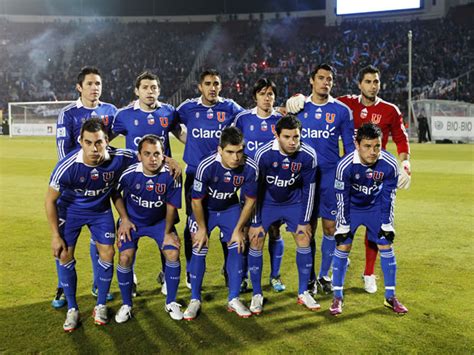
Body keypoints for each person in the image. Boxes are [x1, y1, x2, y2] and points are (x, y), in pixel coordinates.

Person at [45, 118, 136, 332]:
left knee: (108, 254)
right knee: (64, 254)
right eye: (88, 143)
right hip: (70, 211)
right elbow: (49, 200)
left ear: (106, 140)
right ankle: (73, 309)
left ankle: (101, 305)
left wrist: (169, 161)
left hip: (100, 211)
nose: (94, 148)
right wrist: (55, 235)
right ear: (81, 142)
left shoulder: (121, 157)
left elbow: (147, 155)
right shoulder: (66, 166)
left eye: (98, 142)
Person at [111, 71, 185, 296]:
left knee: (167, 232)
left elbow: (183, 136)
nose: (150, 91)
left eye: (154, 87)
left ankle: (165, 274)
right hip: (134, 183)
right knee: (130, 236)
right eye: (145, 87)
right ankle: (129, 275)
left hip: (163, 183)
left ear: (159, 90)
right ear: (137, 91)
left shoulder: (168, 112)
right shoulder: (124, 115)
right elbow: (106, 141)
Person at [286, 64, 355, 296]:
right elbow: (281, 130)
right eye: (321, 78)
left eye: (330, 79)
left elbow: (349, 148)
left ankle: (325, 275)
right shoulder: (298, 108)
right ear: (311, 80)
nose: (326, 82)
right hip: (303, 179)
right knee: (307, 228)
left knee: (330, 226)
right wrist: (288, 102)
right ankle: (309, 279)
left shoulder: (342, 111)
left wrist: (348, 177)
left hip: (330, 178)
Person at [52, 66, 116, 309]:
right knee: (65, 246)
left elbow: (112, 142)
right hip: (73, 189)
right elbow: (62, 153)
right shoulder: (68, 114)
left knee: (100, 239)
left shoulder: (110, 111)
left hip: (100, 186)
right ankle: (62, 286)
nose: (94, 88)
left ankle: (98, 284)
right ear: (79, 87)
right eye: (89, 83)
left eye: (98, 83)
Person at [330, 123, 408, 316]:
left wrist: (387, 223)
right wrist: (343, 225)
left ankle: (390, 297)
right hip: (352, 208)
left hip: (375, 208)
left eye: (377, 146)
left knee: (386, 245)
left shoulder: (389, 164)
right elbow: (341, 198)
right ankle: (337, 297)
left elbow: (388, 197)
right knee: (343, 246)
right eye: (367, 146)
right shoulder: (345, 166)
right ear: (357, 145)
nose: (373, 152)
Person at [176, 69, 244, 288]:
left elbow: (250, 116)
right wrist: (187, 141)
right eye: (208, 83)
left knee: (228, 224)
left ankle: (229, 269)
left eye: (216, 83)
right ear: (200, 87)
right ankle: (190, 270)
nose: (212, 87)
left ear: (221, 86)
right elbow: (170, 123)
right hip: (195, 173)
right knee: (192, 225)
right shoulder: (187, 108)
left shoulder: (230, 107)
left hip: (223, 175)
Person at [183, 126, 258, 320]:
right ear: (220, 150)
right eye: (230, 152)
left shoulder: (250, 166)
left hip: (229, 209)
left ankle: (234, 298)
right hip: (204, 210)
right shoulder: (206, 166)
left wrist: (239, 229)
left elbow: (250, 200)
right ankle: (195, 299)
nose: (236, 157)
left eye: (239, 151)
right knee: (199, 246)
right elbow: (196, 201)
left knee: (237, 246)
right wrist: (201, 228)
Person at [249, 115, 319, 313]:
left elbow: (309, 190)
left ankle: (303, 292)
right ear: (276, 135)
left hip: (293, 202)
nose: (292, 142)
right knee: (255, 240)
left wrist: (305, 221)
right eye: (287, 137)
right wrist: (255, 221)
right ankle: (256, 294)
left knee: (304, 237)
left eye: (296, 137)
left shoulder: (308, 155)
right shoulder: (262, 155)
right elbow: (255, 190)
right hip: (267, 202)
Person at [112, 134, 184, 322]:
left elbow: (171, 207)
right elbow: (114, 193)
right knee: (125, 256)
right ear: (139, 156)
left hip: (159, 222)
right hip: (133, 222)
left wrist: (168, 232)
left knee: (173, 252)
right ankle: (126, 304)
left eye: (157, 154)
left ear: (163, 155)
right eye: (147, 154)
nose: (152, 159)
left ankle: (171, 302)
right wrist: (124, 219)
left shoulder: (172, 175)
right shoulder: (129, 174)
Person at [233, 78, 286, 293]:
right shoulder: (243, 119)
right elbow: (232, 145)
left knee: (274, 230)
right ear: (255, 96)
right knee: (245, 231)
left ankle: (275, 276)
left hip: (275, 186)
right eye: (263, 93)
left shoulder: (281, 120)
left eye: (271, 94)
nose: (267, 98)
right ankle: (244, 276)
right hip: (249, 185)